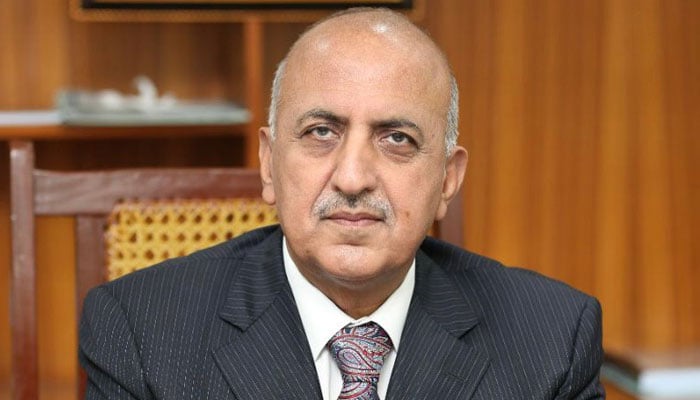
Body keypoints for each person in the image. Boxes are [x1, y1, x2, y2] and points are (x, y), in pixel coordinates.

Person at [79, 7, 604, 399]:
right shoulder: (140, 333)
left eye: (396, 139)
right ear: (269, 163)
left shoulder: (553, 341)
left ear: (447, 179)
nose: (353, 179)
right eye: (321, 131)